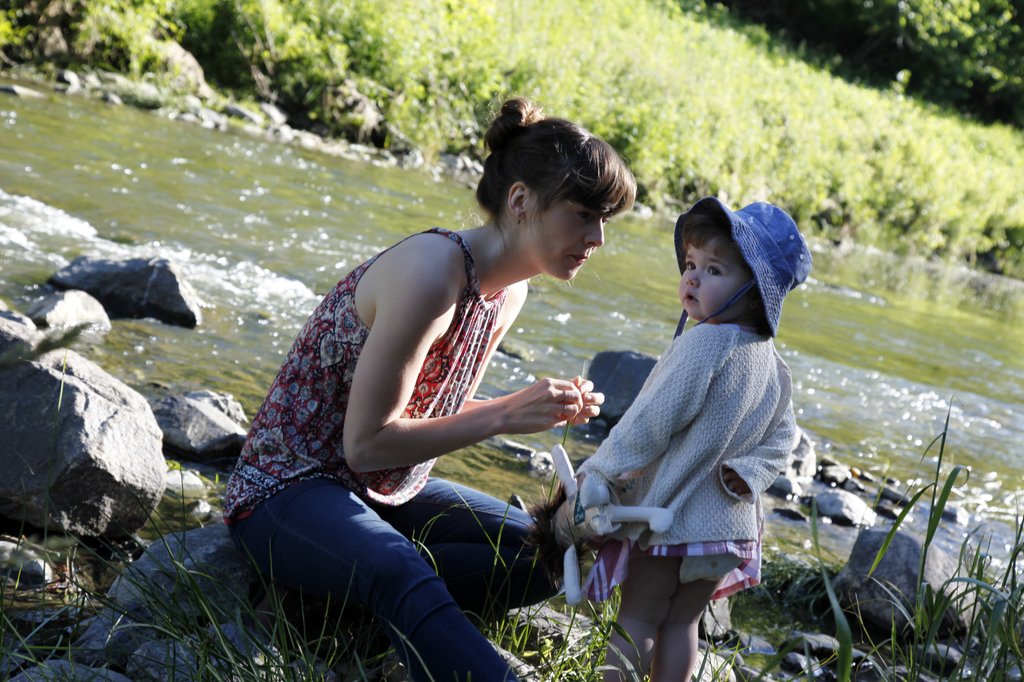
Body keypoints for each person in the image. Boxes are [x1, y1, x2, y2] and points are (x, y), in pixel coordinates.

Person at [222, 97, 636, 682]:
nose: (597, 238)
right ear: (520, 201)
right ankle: (387, 591)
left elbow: (431, 406)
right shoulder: (431, 271)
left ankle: (343, 602)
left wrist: (525, 409)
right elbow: (365, 444)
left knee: (548, 550)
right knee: (400, 569)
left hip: (387, 492)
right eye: (583, 214)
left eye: (605, 220)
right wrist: (503, 415)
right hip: (287, 489)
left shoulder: (507, 294)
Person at [555, 197, 810, 681]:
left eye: (714, 270)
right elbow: (785, 437)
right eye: (691, 264)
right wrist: (751, 473)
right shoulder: (773, 363)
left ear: (756, 294)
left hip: (672, 520)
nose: (692, 278)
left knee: (638, 617)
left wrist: (600, 471)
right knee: (683, 622)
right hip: (728, 531)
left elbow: (650, 422)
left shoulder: (704, 344)